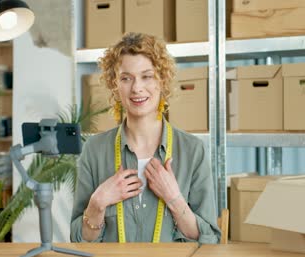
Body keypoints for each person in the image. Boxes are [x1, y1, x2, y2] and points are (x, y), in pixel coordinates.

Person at [70, 32, 220, 243]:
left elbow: (209, 240)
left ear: (162, 80)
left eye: (146, 76)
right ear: (115, 85)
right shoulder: (94, 150)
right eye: (126, 78)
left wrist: (174, 199)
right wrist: (97, 203)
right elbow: (79, 241)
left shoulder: (193, 150)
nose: (136, 88)